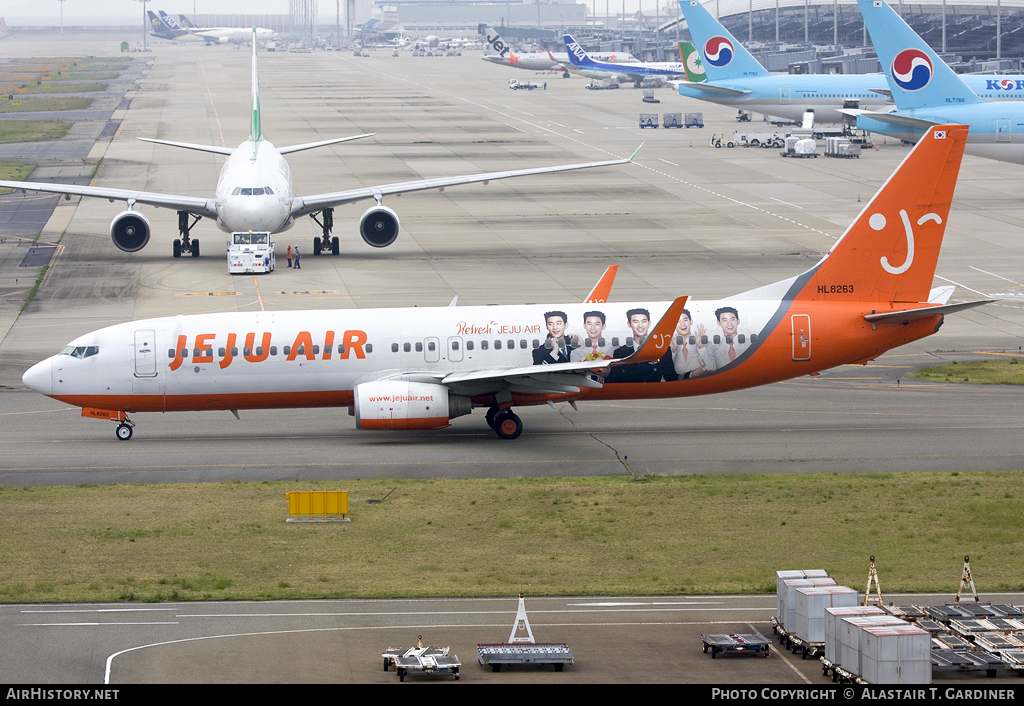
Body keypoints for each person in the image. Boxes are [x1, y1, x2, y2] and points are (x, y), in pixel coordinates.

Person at [606, 308, 675, 383]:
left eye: (644, 321)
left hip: (652, 393)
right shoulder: (620, 353)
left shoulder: (662, 350)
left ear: (649, 323)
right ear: (629, 324)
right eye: (635, 322)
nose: (640, 325)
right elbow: (614, 379)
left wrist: (689, 375)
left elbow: (672, 377)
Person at [671, 309, 715, 379]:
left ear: (691, 321)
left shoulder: (706, 344)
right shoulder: (670, 346)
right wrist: (672, 351)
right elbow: (667, 374)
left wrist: (701, 348)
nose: (682, 324)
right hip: (676, 387)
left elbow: (711, 368)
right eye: (678, 321)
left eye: (685, 320)